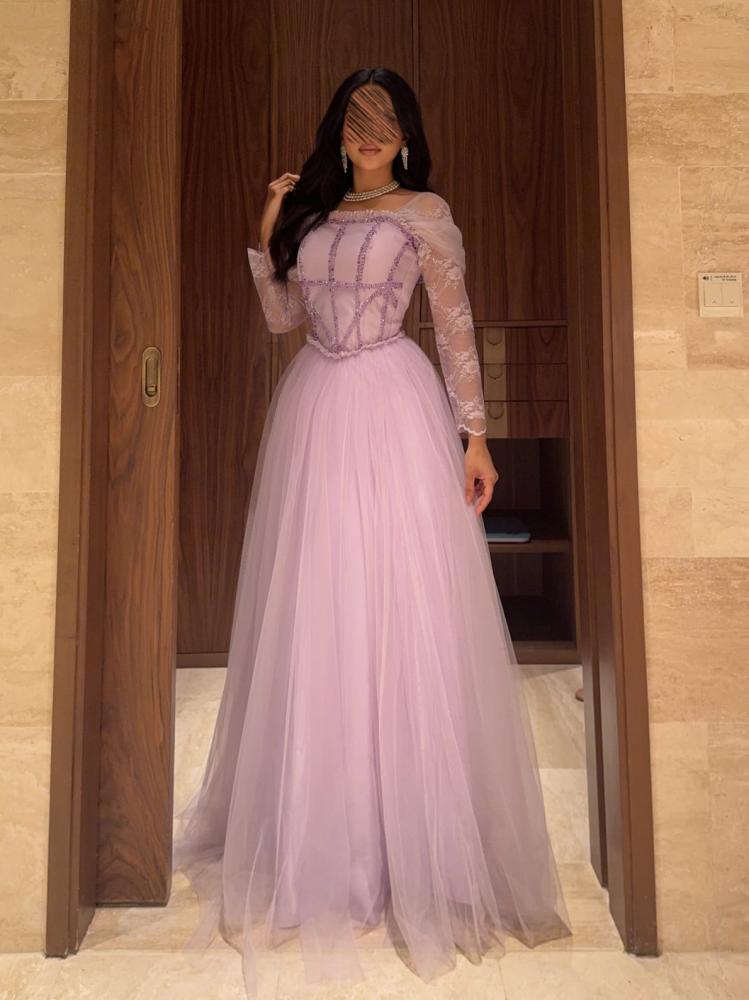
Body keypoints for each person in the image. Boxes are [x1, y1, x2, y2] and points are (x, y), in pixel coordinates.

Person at [173, 66, 572, 997]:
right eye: (355, 118)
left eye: (383, 120)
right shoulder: (311, 212)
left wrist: (475, 436)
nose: (368, 133)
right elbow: (284, 319)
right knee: (320, 607)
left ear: (406, 133)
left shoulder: (424, 211)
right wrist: (267, 232)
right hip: (313, 404)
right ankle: (325, 837)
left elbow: (454, 324)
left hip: (393, 401)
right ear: (338, 128)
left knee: (399, 604)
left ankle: (410, 843)